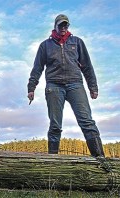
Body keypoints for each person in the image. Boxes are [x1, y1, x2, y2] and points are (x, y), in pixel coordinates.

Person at [27, 14, 105, 157]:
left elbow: (87, 66)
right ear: (55, 26)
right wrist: (31, 88)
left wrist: (93, 87)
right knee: (55, 125)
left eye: (66, 25)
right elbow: (37, 67)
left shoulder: (77, 42)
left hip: (75, 84)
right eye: (60, 25)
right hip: (54, 86)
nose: (63, 28)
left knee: (87, 121)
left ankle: (100, 159)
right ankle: (53, 161)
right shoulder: (45, 45)